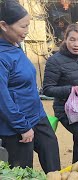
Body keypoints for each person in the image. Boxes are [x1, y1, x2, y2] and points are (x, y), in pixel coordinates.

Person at [0, 0, 60, 173]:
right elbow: (3, 99)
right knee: (23, 171)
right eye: (23, 27)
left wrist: (39, 113)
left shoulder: (16, 46)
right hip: (15, 126)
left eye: (28, 26)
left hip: (37, 116)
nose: (27, 31)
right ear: (4, 25)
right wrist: (22, 127)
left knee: (52, 158)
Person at [43, 24, 78, 167]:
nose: (76, 44)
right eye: (72, 40)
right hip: (65, 110)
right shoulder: (54, 61)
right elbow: (47, 89)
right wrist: (72, 89)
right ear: (65, 39)